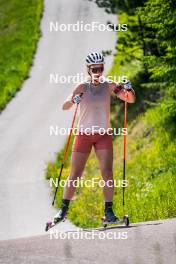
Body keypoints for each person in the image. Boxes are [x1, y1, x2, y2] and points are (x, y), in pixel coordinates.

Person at [54, 52, 135, 224]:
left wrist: (129, 88)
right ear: (88, 70)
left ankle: (109, 211)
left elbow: (130, 99)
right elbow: (64, 106)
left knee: (107, 173)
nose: (98, 72)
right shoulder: (82, 87)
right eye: (94, 69)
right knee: (75, 173)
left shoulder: (109, 85)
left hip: (103, 135)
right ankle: (63, 209)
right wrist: (73, 100)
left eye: (100, 68)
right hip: (83, 135)